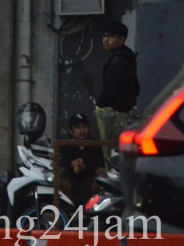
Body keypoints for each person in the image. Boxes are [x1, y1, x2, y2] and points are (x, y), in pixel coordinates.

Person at [95, 21, 140, 159]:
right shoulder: (127, 57)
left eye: (111, 37)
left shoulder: (118, 60)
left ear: (121, 40)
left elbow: (111, 90)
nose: (105, 40)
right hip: (125, 113)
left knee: (111, 155)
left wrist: (100, 104)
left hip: (113, 114)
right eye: (104, 36)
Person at [58, 113, 106, 206]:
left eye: (84, 127)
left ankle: (92, 207)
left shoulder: (95, 145)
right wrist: (72, 164)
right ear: (71, 131)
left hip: (90, 181)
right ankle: (71, 208)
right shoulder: (65, 146)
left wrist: (84, 166)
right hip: (71, 181)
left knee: (102, 177)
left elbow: (100, 164)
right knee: (57, 179)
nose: (82, 130)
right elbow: (62, 164)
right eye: (77, 127)